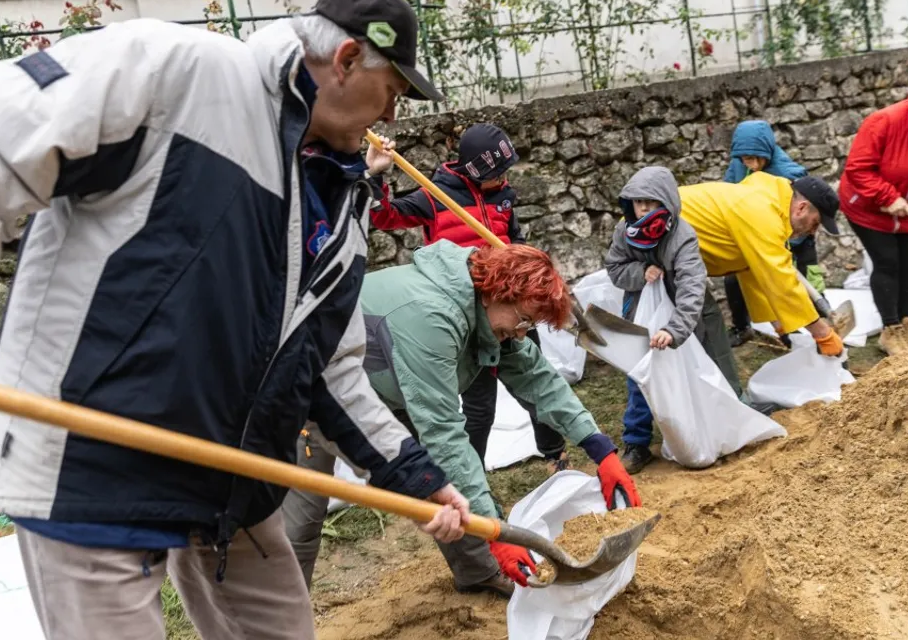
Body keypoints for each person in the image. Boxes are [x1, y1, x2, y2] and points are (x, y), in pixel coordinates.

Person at [0, 0, 471, 640]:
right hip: (93, 469)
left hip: (237, 479)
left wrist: (413, 474)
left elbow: (329, 368)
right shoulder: (178, 73)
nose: (390, 116)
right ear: (348, 59)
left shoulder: (344, 204)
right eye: (393, 91)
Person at [283, 240, 642, 598]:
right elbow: (444, 434)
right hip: (310, 390)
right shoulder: (431, 317)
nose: (522, 332)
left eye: (530, 325)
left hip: (387, 395)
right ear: (496, 292)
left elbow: (539, 379)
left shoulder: (488, 313)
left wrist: (601, 450)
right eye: (524, 320)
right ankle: (282, 617)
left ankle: (478, 571)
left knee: (441, 484)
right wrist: (497, 533)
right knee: (301, 522)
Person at [365, 122, 569, 473]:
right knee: (480, 407)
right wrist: (375, 174)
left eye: (506, 171)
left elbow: (514, 239)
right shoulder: (434, 196)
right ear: (474, 171)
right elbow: (383, 216)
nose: (503, 178)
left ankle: (554, 452)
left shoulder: (503, 196)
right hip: (472, 314)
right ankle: (469, 475)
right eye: (496, 173)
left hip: (513, 301)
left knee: (536, 379)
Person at [677, 173, 846, 401]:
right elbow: (781, 281)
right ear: (802, 208)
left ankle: (725, 401)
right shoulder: (762, 213)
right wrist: (822, 333)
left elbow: (753, 269)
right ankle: (733, 405)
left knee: (704, 328)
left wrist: (779, 324)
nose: (813, 231)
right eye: (816, 223)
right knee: (708, 326)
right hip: (654, 245)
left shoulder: (770, 195)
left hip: (665, 247)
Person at [839, 63, 908, 356]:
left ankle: (905, 325)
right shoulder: (886, 120)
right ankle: (889, 332)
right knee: (888, 263)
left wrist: (904, 204)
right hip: (868, 206)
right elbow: (858, 169)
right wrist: (887, 196)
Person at [604, 167, 708, 474]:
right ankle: (636, 442)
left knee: (693, 371)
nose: (645, 209)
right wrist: (640, 274)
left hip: (678, 314)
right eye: (638, 203)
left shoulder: (682, 237)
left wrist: (674, 329)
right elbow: (615, 269)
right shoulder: (626, 232)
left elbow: (691, 286)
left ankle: (695, 429)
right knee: (640, 374)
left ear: (667, 203)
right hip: (639, 310)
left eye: (652, 202)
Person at [722, 120, 825, 348]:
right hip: (758, 232)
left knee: (805, 278)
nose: (751, 164)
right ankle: (744, 327)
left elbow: (803, 212)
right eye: (745, 158)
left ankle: (824, 321)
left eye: (755, 158)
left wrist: (789, 239)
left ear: (766, 151)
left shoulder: (789, 173)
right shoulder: (738, 166)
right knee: (734, 279)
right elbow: (727, 192)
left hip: (795, 235)